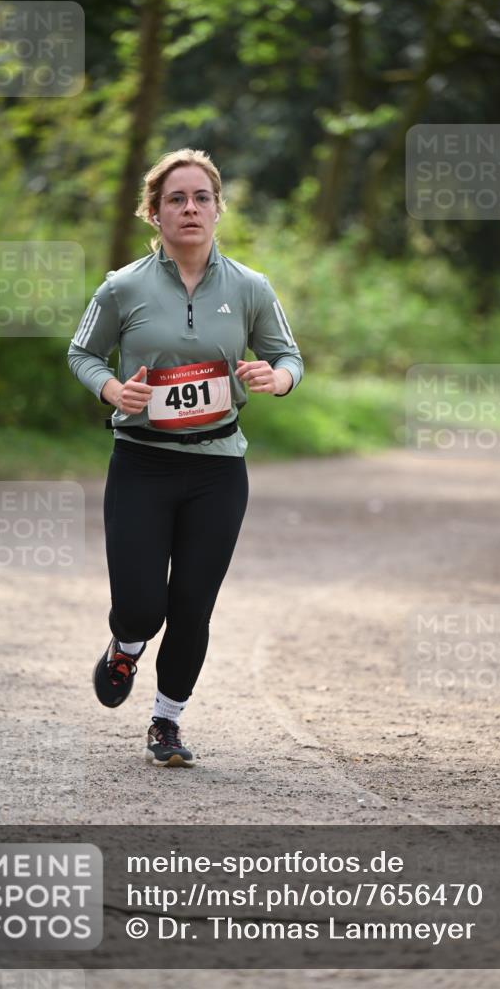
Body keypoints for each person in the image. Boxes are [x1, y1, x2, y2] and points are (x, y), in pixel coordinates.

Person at [67, 148, 304, 767]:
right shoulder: (122, 287)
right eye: (177, 199)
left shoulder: (250, 287)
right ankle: (125, 644)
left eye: (202, 197)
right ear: (155, 213)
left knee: (193, 606)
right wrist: (113, 388)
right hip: (141, 463)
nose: (190, 208)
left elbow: (290, 357)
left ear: (218, 209)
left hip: (218, 468)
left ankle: (166, 723)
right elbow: (81, 354)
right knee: (144, 604)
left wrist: (275, 379)